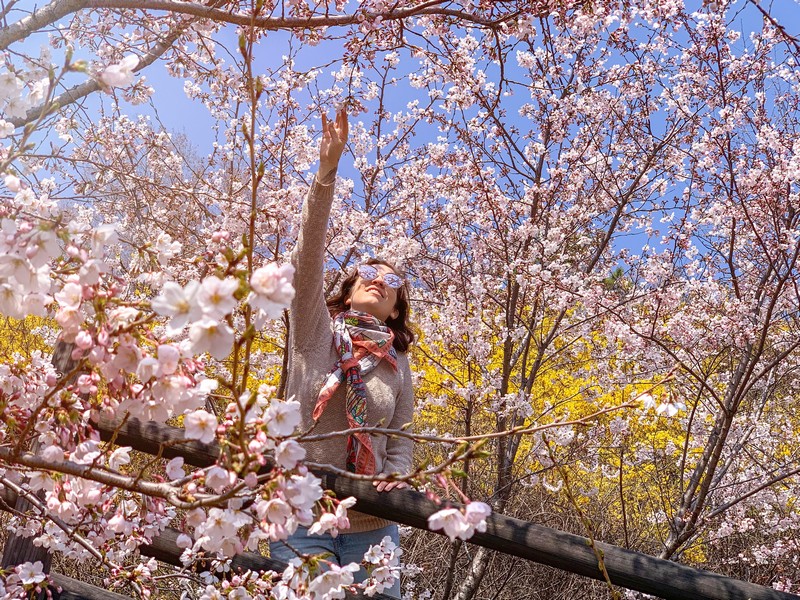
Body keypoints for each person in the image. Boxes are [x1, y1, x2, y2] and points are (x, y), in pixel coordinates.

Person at [269, 109, 415, 597]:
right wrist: (326, 175)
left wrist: (396, 478)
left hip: (373, 523)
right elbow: (305, 261)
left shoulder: (396, 363)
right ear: (348, 289)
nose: (379, 278)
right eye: (367, 272)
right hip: (298, 508)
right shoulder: (314, 330)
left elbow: (401, 436)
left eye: (392, 281)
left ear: (396, 309)